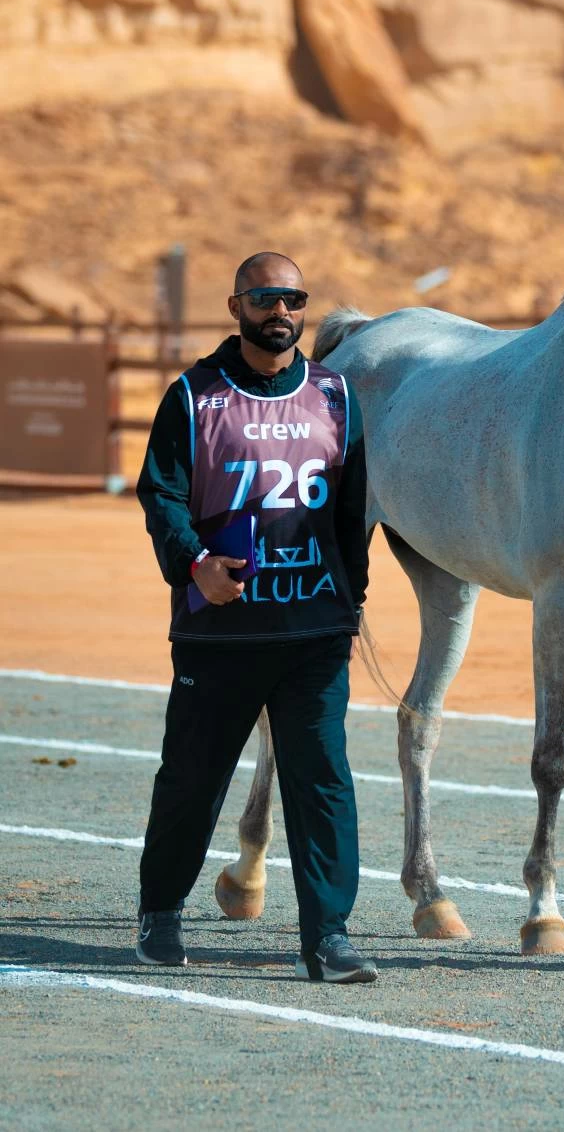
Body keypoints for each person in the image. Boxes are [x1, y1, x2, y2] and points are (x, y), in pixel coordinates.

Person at [135, 251, 377, 983]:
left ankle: (329, 936)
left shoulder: (335, 394)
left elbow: (351, 505)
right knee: (191, 778)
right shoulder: (193, 395)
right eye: (266, 298)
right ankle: (162, 911)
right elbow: (162, 495)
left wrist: (350, 600)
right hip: (220, 633)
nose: (282, 312)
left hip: (312, 633)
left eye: (294, 299)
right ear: (236, 306)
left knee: (323, 781)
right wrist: (191, 565)